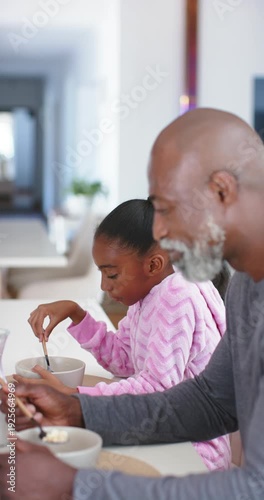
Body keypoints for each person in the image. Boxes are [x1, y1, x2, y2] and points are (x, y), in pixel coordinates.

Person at [1, 107, 264, 499]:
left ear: (221, 192)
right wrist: (76, 411)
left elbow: (253, 488)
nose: (157, 231)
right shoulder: (246, 283)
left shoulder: (184, 292)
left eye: (165, 209)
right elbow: (210, 401)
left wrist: (74, 485)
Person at [14, 198, 230, 471]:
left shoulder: (176, 296)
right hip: (159, 427)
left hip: (194, 451)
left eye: (112, 275)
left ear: (153, 265)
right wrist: (77, 314)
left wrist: (75, 397)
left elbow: (157, 388)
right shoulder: (148, 294)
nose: (105, 287)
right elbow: (124, 360)